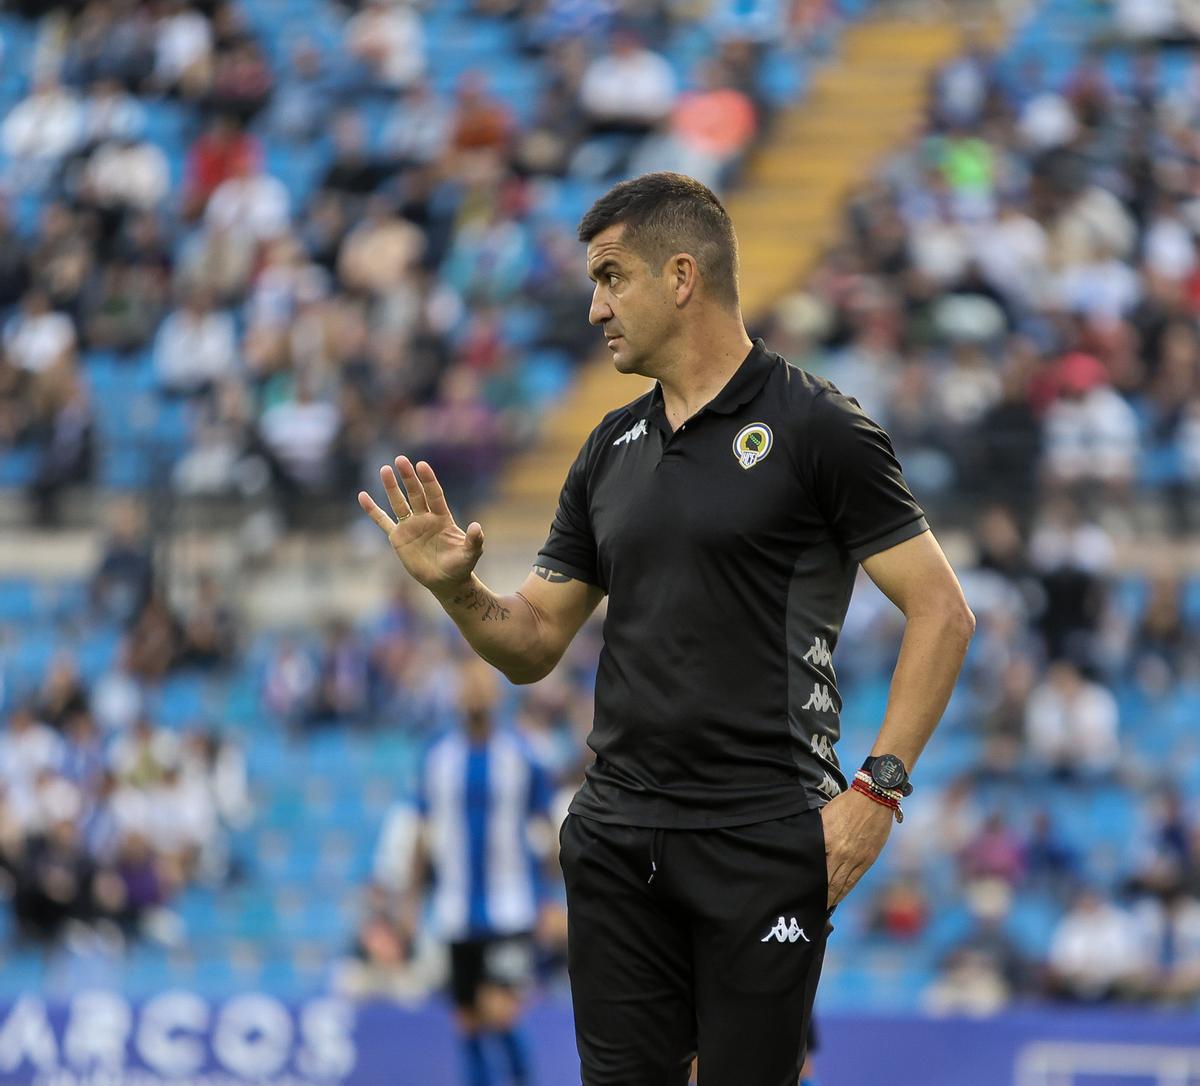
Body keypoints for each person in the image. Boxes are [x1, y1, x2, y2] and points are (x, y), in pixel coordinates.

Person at [359, 172, 976, 1085]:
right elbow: (531, 645)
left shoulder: (817, 427)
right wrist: (457, 591)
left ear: (681, 276)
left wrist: (876, 796)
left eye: (612, 277)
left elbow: (943, 612)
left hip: (761, 832)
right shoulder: (610, 448)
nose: (596, 305)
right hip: (617, 833)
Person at [404, 658, 554, 1086]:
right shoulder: (435, 757)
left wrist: (548, 900)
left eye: (481, 685)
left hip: (510, 909)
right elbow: (422, 833)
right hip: (454, 910)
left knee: (500, 1012)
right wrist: (411, 904)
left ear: (498, 693)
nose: (473, 692)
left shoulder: (522, 755)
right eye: (465, 685)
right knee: (467, 1020)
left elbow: (544, 832)